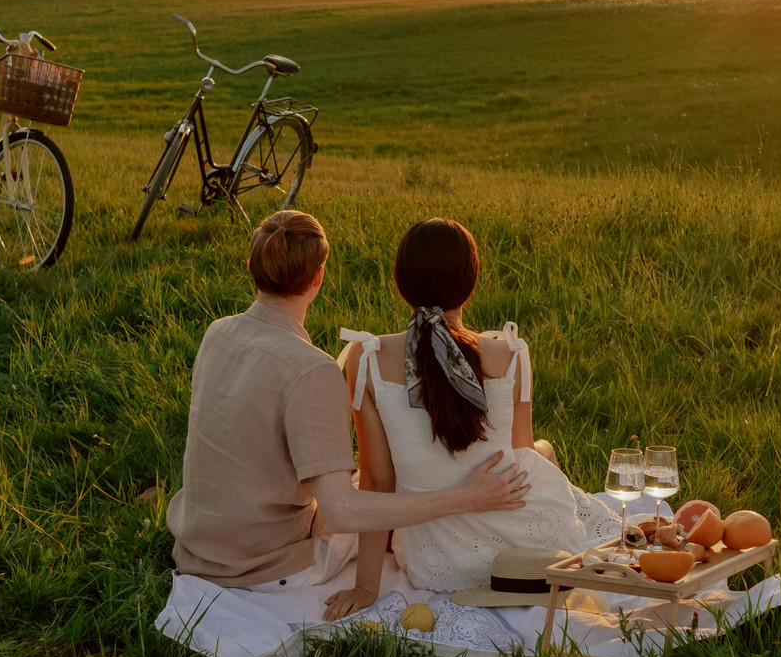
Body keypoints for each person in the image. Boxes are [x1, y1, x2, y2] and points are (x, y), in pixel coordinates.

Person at [165, 210, 532, 620]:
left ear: (252, 266)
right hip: (266, 568)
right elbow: (343, 513)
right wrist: (465, 497)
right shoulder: (312, 369)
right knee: (380, 496)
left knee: (369, 481)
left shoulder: (216, 331)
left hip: (198, 547)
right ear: (319, 277)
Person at [336, 218, 618, 606]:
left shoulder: (365, 360)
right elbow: (520, 455)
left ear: (400, 284)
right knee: (542, 451)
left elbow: (377, 482)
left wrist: (365, 588)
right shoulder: (512, 354)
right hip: (531, 545)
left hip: (437, 562)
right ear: (471, 282)